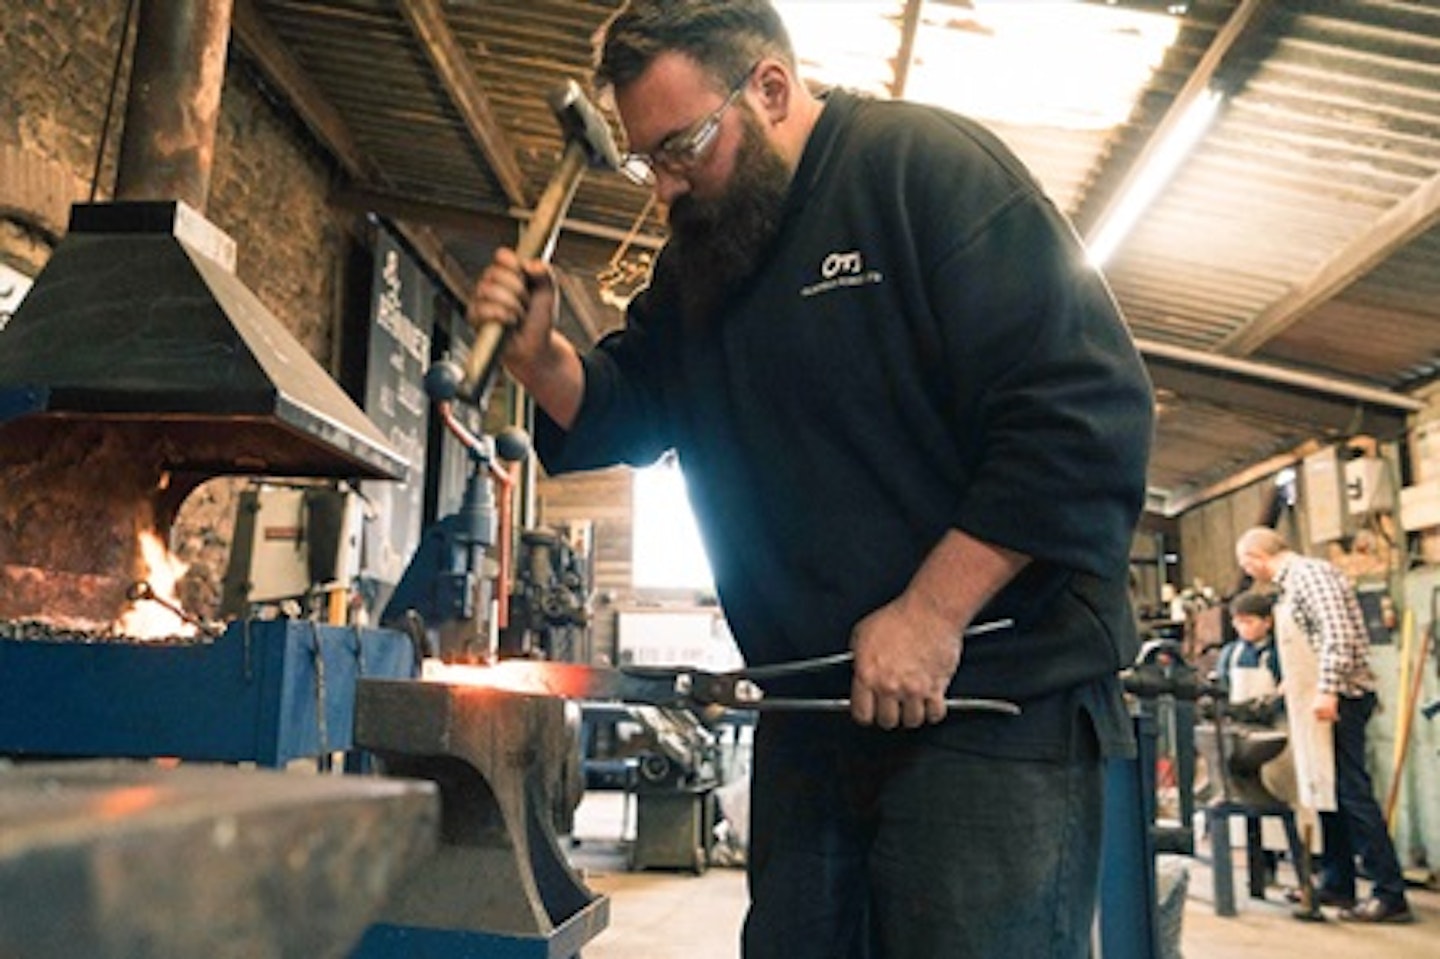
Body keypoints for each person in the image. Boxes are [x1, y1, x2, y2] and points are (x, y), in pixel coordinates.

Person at [469, 2, 1155, 955]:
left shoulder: (925, 173)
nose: (664, 187)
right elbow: (638, 401)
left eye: (683, 147)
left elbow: (1083, 414)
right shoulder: (708, 252)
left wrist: (932, 613)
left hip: (988, 706)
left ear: (772, 88)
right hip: (810, 715)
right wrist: (543, 359)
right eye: (645, 160)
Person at [1234, 526, 1413, 924]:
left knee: (1351, 791)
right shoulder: (1289, 586)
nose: (1246, 571)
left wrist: (1328, 690)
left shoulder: (1309, 575)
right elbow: (1310, 642)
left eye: (1245, 563)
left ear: (1257, 556)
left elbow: (1338, 635)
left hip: (1340, 698)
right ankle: (1337, 882)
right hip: (1317, 697)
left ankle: (1389, 893)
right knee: (1326, 789)